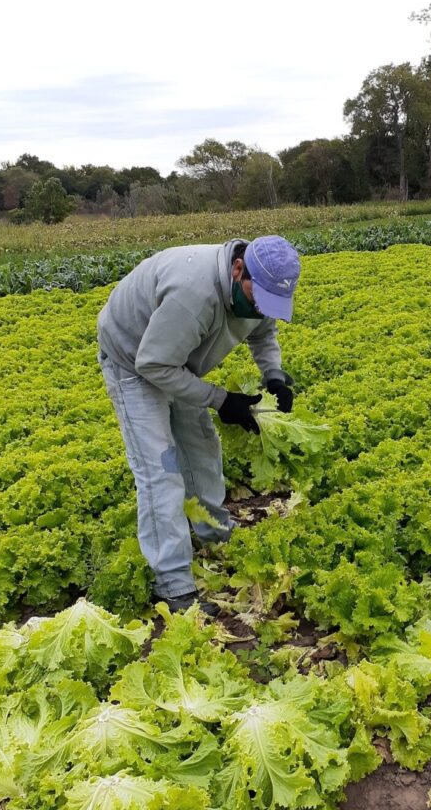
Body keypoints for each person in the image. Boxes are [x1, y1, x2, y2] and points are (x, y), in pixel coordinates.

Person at [97, 234, 301, 615]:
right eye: (259, 298)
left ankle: (211, 530)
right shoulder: (193, 295)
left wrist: (273, 375)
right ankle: (173, 585)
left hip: (179, 360)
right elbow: (153, 365)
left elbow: (264, 331)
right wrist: (221, 400)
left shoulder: (257, 289)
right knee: (162, 468)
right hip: (134, 360)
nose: (262, 308)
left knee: (202, 448)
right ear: (238, 269)